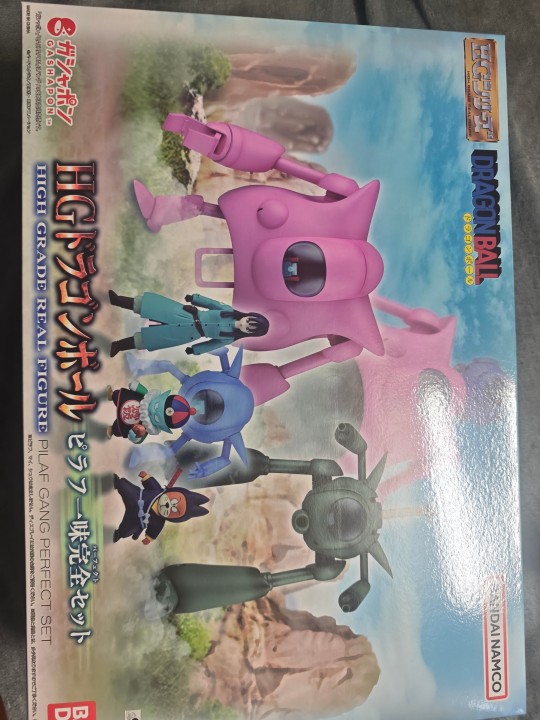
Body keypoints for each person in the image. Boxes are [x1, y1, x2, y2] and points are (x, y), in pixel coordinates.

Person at [109, 290, 269, 357]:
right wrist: (194, 298)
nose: (243, 325)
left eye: (248, 328)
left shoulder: (229, 338)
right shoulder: (227, 310)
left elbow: (211, 345)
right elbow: (211, 303)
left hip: (188, 334)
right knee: (152, 306)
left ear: (248, 334)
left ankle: (118, 345)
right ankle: (118, 300)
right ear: (248, 315)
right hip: (187, 314)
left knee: (152, 339)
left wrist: (195, 350)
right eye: (248, 321)